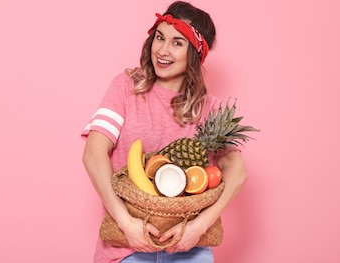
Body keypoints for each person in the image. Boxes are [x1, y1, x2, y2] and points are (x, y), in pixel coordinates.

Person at [81, 1, 249, 262]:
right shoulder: (126, 88)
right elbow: (93, 155)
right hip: (127, 247)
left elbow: (237, 172)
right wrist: (126, 223)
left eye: (177, 43)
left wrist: (198, 227)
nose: (162, 50)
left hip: (191, 250)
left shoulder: (211, 109)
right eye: (160, 37)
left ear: (195, 53)